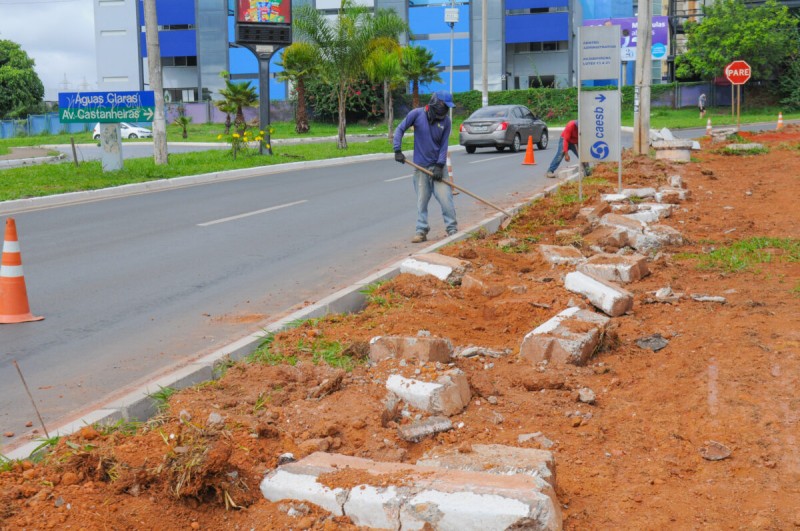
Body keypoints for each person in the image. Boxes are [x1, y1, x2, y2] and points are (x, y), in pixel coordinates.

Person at [393, 90, 458, 243]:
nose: (446, 109)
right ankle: (421, 230)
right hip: (421, 168)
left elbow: (444, 146)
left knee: (446, 199)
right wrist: (397, 149)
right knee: (422, 201)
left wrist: (439, 165)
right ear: (436, 102)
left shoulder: (446, 122)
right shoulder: (416, 114)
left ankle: (452, 228)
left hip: (438, 168)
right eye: (444, 105)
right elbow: (400, 129)